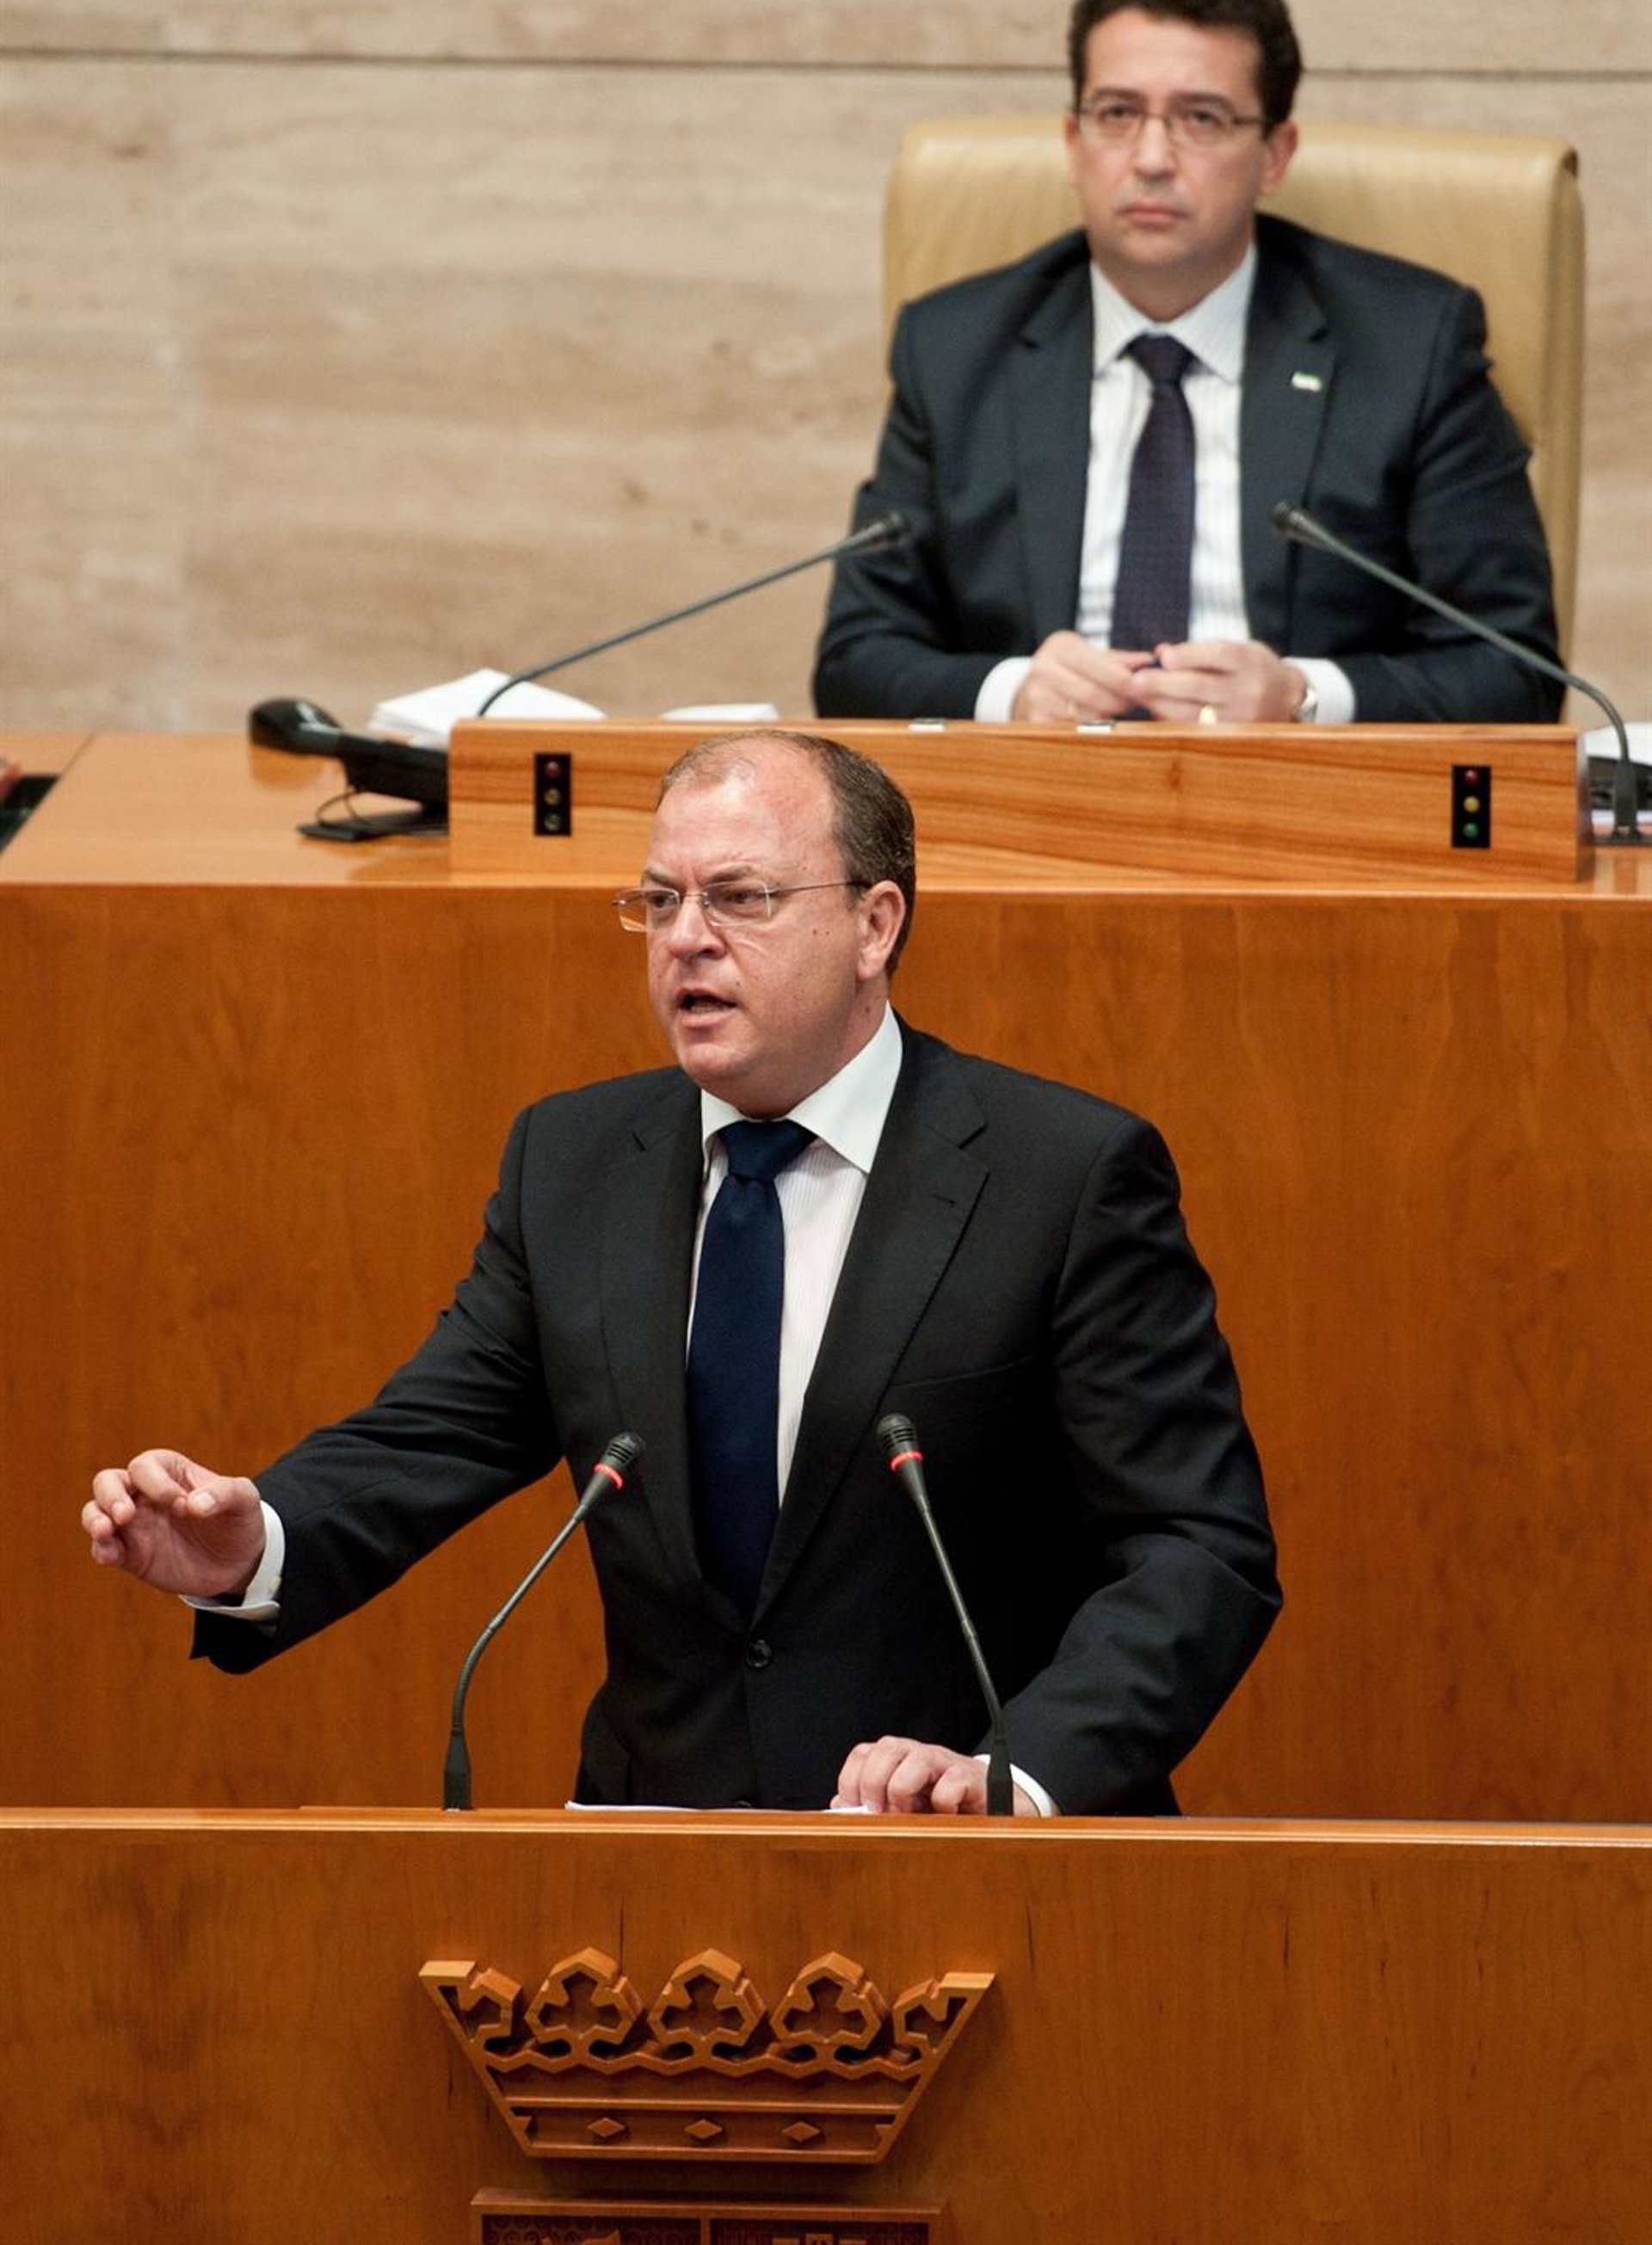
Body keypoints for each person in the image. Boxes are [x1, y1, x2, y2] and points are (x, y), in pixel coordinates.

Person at [83, 731, 1278, 1816]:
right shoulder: (574, 1162)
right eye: (661, 900)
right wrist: (257, 1541)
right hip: (654, 1879)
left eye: (741, 898)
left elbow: (1196, 1545)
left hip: (973, 1869)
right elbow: (432, 1433)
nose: (686, 938)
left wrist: (1018, 1771)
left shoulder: (1060, 1176)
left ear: (876, 925)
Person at [812, 0, 1561, 728]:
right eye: (1117, 114)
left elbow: (1515, 668)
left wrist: (1300, 697)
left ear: (1274, 155)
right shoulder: (956, 348)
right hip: (1036, 786)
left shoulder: (1409, 346)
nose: (1151, 158)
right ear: (1072, 140)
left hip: (1299, 790)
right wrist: (1015, 691)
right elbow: (855, 659)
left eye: (1201, 118)